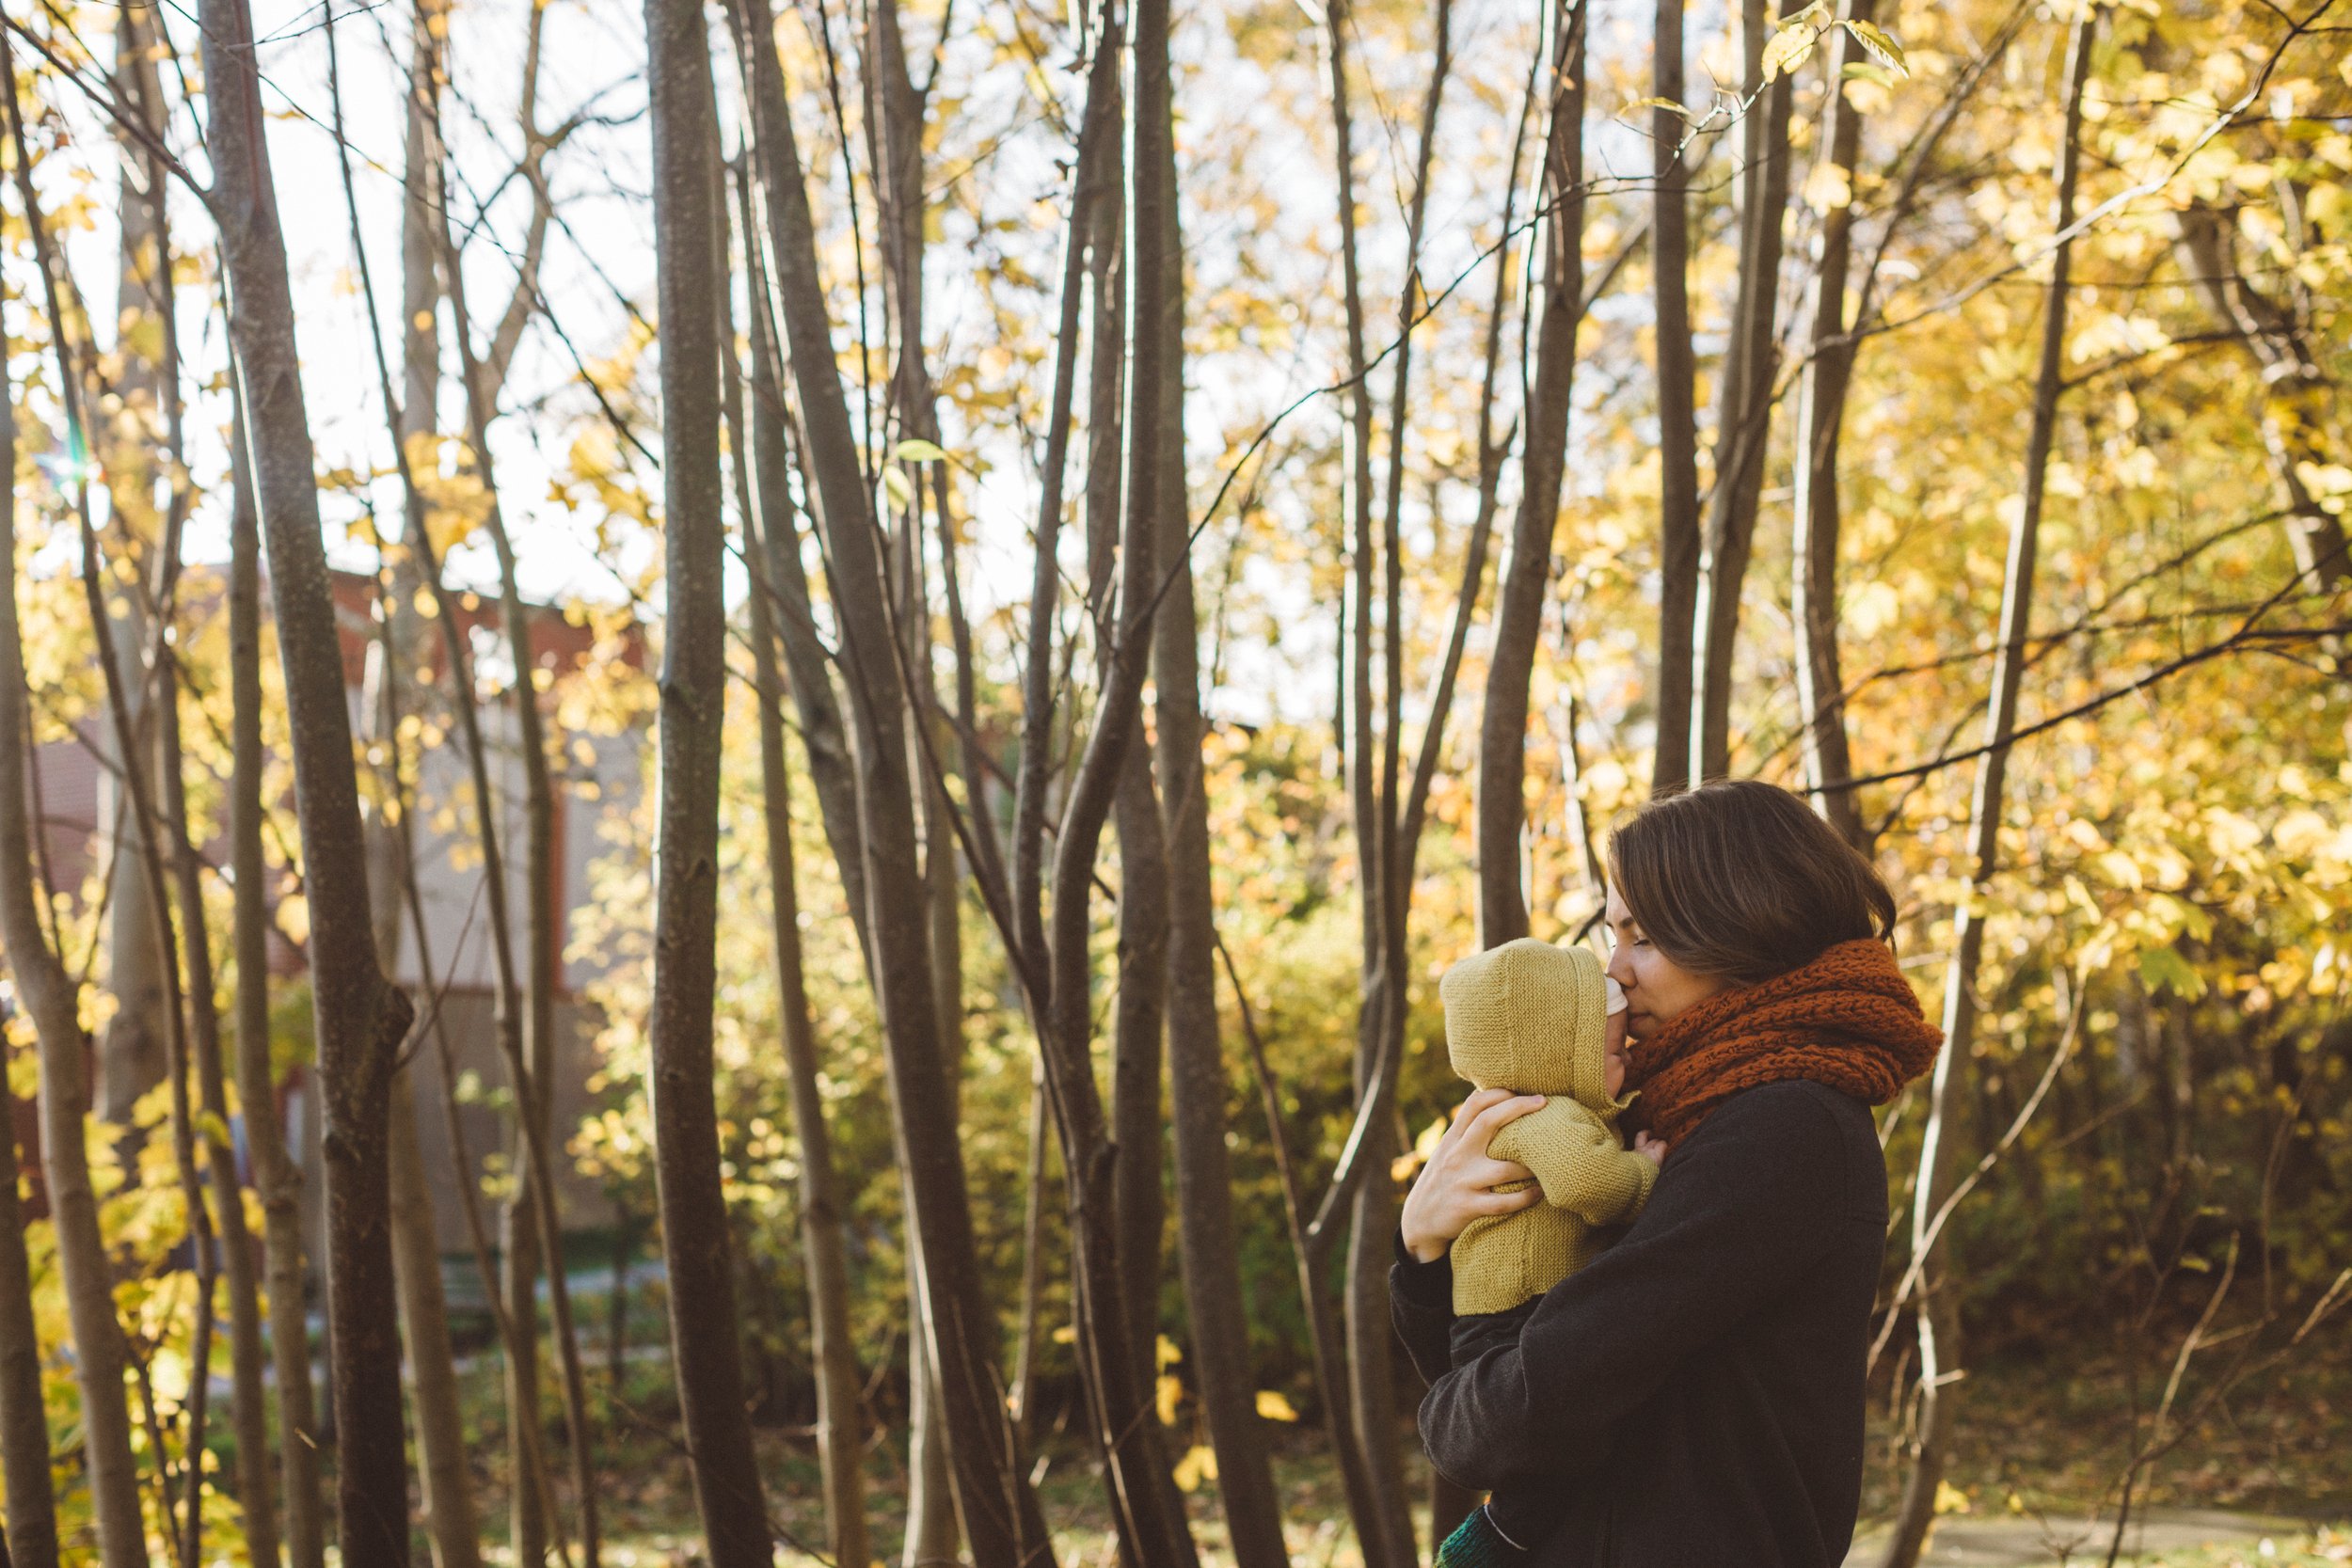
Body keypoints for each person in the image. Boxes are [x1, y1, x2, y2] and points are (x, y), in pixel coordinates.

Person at [1393, 779, 1946, 1568]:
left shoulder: (1781, 1128)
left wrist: (1453, 1414)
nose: (1614, 971)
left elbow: (1508, 1423)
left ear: (1744, 925)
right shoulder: (1676, 1112)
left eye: (1643, 938)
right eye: (1612, 935)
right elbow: (1516, 1387)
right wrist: (1427, 1245)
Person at [1434, 939, 1664, 1563]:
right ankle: (1499, 1533)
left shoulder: (1558, 1110)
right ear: (1561, 1054)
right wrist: (1644, 1173)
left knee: (1577, 1442)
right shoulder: (1543, 1116)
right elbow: (1586, 1183)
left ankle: (1508, 1529)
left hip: (1517, 1306)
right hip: (1514, 1309)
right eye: (1614, 1051)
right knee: (1565, 1440)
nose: (1628, 1058)